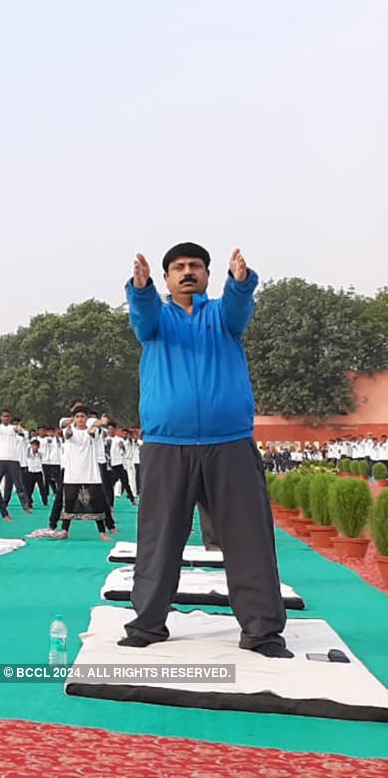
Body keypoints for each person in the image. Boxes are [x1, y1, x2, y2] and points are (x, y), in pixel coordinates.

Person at [120, 244, 290, 658]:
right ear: (166, 279)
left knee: (248, 539)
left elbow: (238, 306)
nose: (187, 272)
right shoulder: (157, 319)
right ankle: (147, 624)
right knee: (159, 540)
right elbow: (141, 319)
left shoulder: (223, 318)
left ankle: (262, 632)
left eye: (195, 266)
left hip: (229, 443)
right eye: (177, 267)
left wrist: (240, 282)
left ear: (208, 275)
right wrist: (139, 290)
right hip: (167, 445)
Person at [51, 405, 113, 541]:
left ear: (87, 418)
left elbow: (94, 432)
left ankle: (102, 532)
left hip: (90, 474)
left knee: (97, 502)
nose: (80, 419)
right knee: (69, 502)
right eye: (77, 417)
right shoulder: (69, 430)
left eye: (83, 417)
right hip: (72, 474)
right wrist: (69, 431)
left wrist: (99, 424)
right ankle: (65, 530)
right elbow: (67, 435)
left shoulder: (93, 431)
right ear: (74, 418)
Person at [0, 410, 33, 514]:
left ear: (10, 418)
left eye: (8, 416)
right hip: (0, 458)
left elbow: (24, 433)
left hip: (13, 459)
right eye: (4, 416)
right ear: (1, 417)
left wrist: (18, 430)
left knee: (19, 484)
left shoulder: (14, 428)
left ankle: (26, 506)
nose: (6, 418)